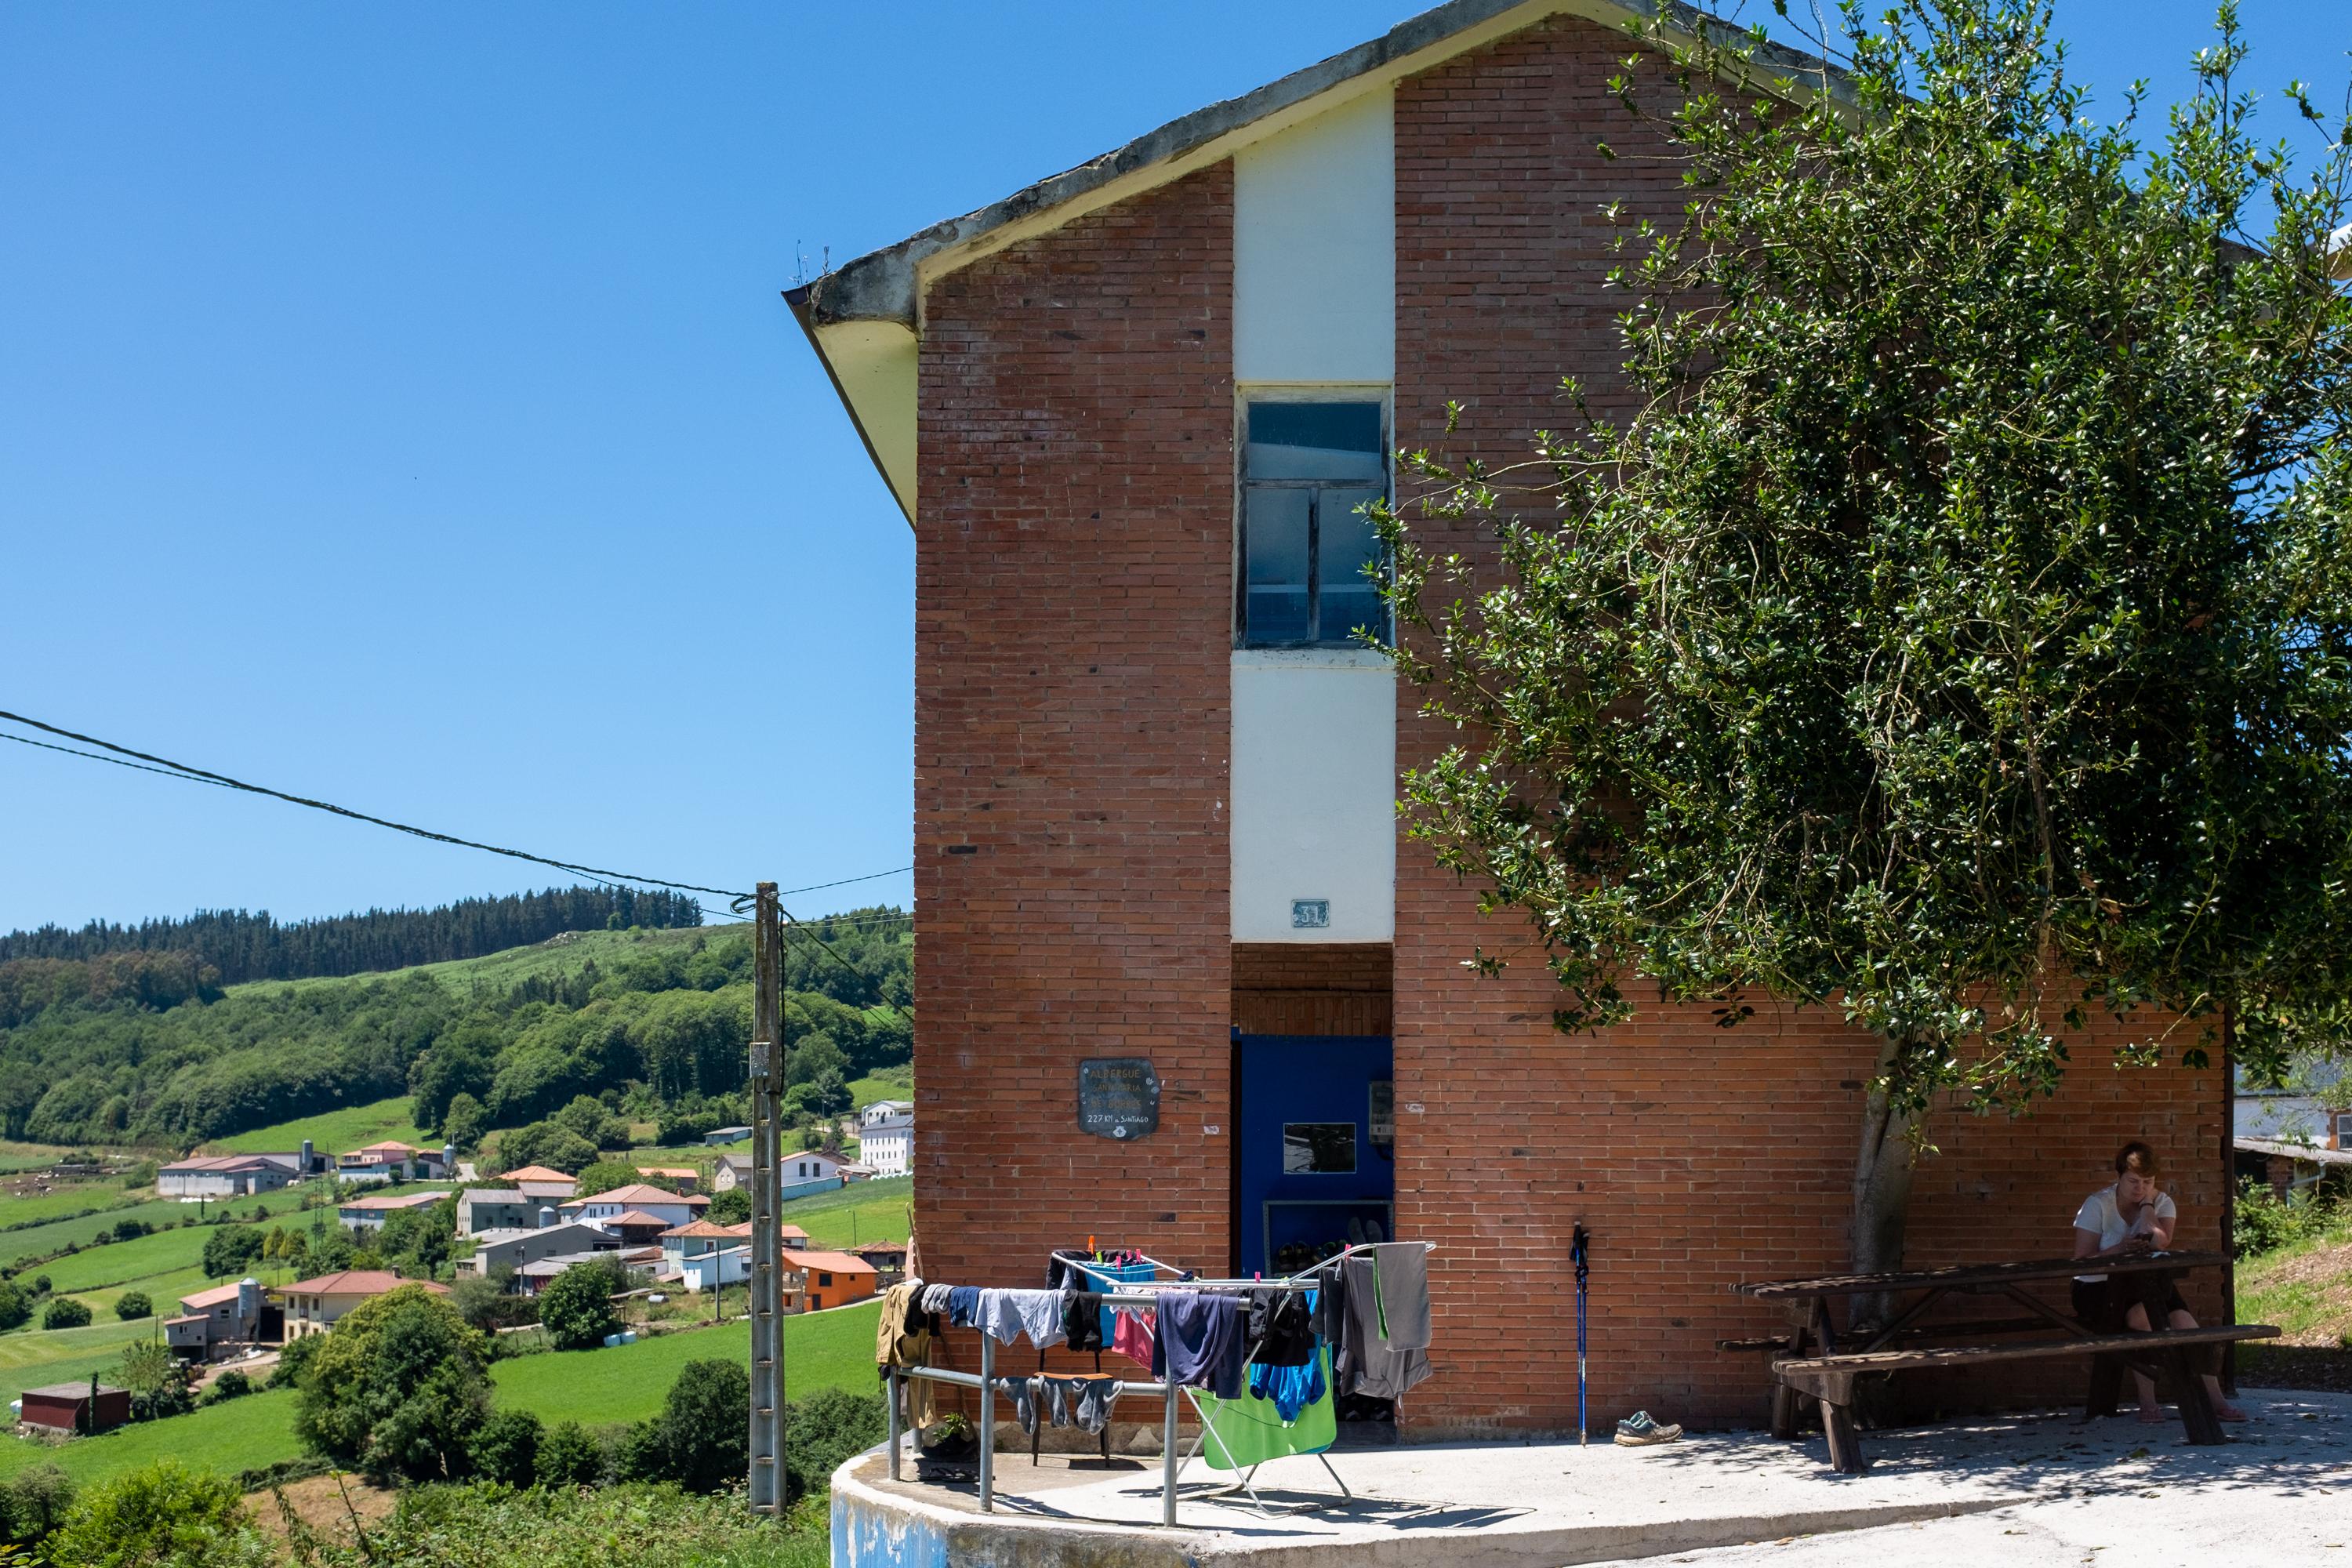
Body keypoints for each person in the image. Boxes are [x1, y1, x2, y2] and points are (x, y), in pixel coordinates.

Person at [2071, 1141, 2246, 1423]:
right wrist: (2120, 1249)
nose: (2139, 1188)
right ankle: (2148, 1402)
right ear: (2119, 1176)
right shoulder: (2098, 1204)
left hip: (2147, 1284)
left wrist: (2148, 1206)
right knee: (2144, 1318)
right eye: (2133, 1181)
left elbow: (2161, 1242)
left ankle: (2216, 1400)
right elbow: (2081, 1260)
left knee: (2186, 1323)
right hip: (2097, 1286)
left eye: (2147, 1182)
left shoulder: (2161, 1202)